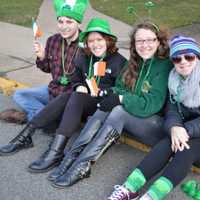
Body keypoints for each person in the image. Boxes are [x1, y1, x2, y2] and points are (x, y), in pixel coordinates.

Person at [48, 22, 173, 188]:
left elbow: (152, 104)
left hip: (156, 126)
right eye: (140, 41)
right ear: (134, 44)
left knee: (118, 110)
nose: (145, 45)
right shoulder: (134, 62)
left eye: (150, 40)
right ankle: (71, 158)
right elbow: (120, 87)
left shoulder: (164, 66)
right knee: (105, 106)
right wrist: (108, 94)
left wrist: (121, 98)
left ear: (159, 41)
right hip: (133, 117)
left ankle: (83, 166)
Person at [0, 18, 127, 174]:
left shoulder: (119, 62)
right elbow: (76, 79)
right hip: (84, 101)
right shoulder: (85, 57)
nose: (95, 44)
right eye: (91, 40)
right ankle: (27, 137)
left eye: (99, 39)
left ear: (108, 40)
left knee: (74, 97)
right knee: (71, 95)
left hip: (104, 105)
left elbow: (122, 89)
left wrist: (103, 92)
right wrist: (80, 86)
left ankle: (54, 151)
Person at [107, 35, 200, 200]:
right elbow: (172, 111)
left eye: (189, 56)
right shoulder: (174, 80)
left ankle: (151, 196)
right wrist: (174, 127)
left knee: (185, 148)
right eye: (177, 58)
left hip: (192, 137)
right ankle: (129, 189)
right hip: (187, 133)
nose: (183, 61)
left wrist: (185, 129)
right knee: (169, 142)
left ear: (197, 57)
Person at [0, 0, 88, 123]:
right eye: (60, 21)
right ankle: (45, 116)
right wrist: (41, 57)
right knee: (19, 95)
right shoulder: (53, 40)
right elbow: (47, 68)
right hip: (52, 91)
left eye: (69, 21)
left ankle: (34, 117)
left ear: (78, 23)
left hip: (69, 98)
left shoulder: (87, 45)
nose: (64, 26)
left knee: (64, 113)